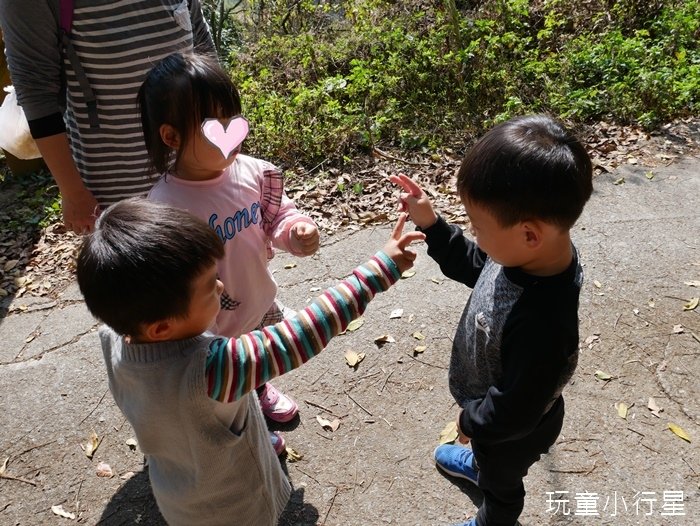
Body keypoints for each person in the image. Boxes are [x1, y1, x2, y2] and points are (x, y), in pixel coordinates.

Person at [76, 198, 424, 526]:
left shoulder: (113, 336)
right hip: (235, 506)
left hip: (176, 495)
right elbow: (302, 334)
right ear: (162, 327)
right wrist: (379, 268)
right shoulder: (212, 369)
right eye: (209, 287)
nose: (221, 284)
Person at [391, 114, 593, 526]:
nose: (474, 234)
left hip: (514, 431)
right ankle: (481, 463)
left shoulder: (544, 322)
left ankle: (493, 517)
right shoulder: (526, 255)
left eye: (478, 227)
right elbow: (475, 265)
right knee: (490, 459)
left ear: (529, 234)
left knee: (503, 482)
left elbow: (514, 409)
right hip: (496, 411)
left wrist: (471, 422)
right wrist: (431, 224)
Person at [139, 51, 320, 452]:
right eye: (212, 124)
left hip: (255, 300)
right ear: (171, 137)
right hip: (209, 323)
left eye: (232, 118)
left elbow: (278, 217)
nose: (230, 131)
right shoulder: (165, 206)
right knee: (225, 379)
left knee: (255, 359)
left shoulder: (254, 172)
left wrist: (296, 231)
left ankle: (258, 391)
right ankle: (246, 425)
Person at [0, 0, 214, 233]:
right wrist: (73, 192)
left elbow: (205, 52)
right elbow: (36, 93)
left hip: (197, 175)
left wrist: (221, 153)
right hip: (118, 195)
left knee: (204, 264)